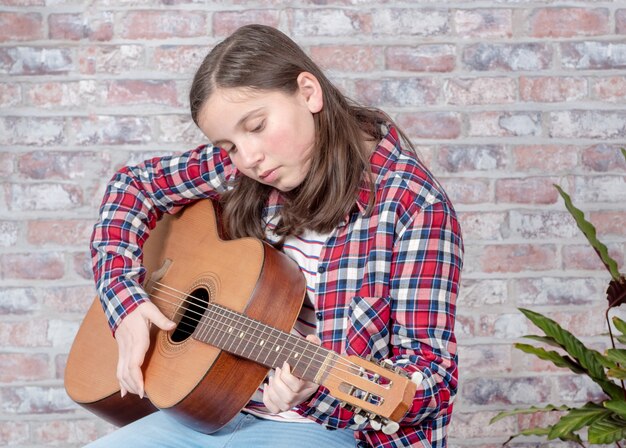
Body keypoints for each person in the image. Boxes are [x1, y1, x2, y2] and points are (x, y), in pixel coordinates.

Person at [86, 24, 463, 448]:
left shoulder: (414, 206)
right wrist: (125, 300)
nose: (248, 158)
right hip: (213, 412)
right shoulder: (248, 166)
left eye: (258, 125)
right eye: (228, 145)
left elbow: (432, 378)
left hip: (335, 431)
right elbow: (132, 186)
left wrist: (315, 393)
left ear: (308, 92)